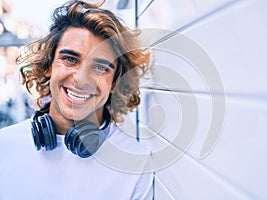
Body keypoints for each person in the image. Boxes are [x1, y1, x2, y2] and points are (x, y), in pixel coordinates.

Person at [0, 0, 154, 199]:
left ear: (116, 82)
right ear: (49, 66)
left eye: (100, 67)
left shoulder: (136, 163)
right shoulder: (4, 145)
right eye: (70, 59)